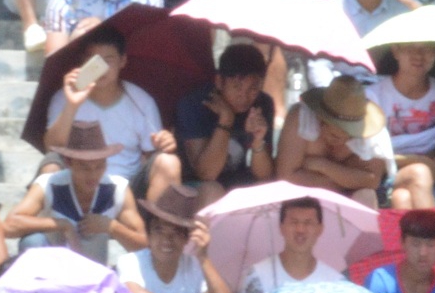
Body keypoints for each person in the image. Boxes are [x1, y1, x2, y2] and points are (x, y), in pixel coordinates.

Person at [41, 26, 168, 189]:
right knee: (50, 166)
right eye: (94, 61)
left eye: (108, 60)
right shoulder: (63, 97)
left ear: (122, 61)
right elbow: (52, 148)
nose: (101, 69)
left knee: (168, 161)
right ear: (82, 62)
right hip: (78, 184)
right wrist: (72, 105)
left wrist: (164, 144)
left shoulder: (142, 101)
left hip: (127, 185)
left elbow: (152, 152)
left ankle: (157, 215)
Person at [4, 119, 135, 258]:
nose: (93, 174)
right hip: (53, 271)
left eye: (99, 166)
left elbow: (143, 246)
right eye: (84, 167)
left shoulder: (118, 189)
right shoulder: (49, 185)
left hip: (96, 274)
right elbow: (9, 225)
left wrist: (112, 227)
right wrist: (62, 225)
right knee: (32, 242)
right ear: (68, 163)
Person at [174, 41, 277, 208]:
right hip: (196, 187)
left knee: (269, 189)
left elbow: (264, 175)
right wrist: (225, 121)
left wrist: (258, 139)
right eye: (237, 87)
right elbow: (207, 174)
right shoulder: (195, 104)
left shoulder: (263, 103)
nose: (244, 96)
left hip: (239, 183)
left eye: (253, 88)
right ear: (220, 82)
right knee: (213, 189)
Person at [278, 74, 390, 202]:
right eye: (335, 136)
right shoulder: (300, 118)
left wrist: (322, 166)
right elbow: (286, 176)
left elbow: (372, 181)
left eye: (350, 137)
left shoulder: (373, 129)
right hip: (304, 198)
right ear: (321, 119)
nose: (343, 141)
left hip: (352, 199)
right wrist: (348, 179)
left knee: (366, 196)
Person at [376, 45, 435, 213]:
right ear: (395, 51)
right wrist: (425, 161)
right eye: (409, 48)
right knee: (419, 172)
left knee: (402, 198)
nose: (418, 55)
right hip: (385, 173)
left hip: (433, 175)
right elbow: (370, 157)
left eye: (427, 48)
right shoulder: (374, 95)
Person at [236, 194, 331, 293]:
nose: (300, 230)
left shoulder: (335, 283)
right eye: (294, 222)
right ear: (281, 227)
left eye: (308, 223)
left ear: (320, 229)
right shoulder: (257, 276)